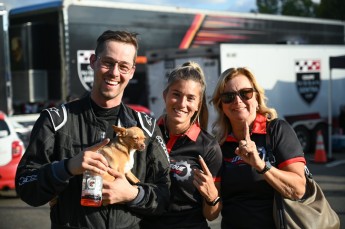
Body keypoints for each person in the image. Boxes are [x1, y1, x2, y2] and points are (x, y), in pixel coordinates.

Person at [15, 30, 171, 229]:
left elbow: (165, 195)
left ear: (131, 72)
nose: (114, 72)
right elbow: (26, 187)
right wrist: (67, 167)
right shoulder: (55, 121)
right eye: (107, 62)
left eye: (123, 66)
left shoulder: (146, 128)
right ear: (93, 62)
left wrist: (133, 194)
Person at [210, 67, 307, 228]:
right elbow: (212, 212)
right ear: (221, 105)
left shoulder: (276, 130)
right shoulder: (219, 144)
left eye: (245, 93)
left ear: (256, 98)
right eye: (228, 96)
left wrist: (261, 165)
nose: (238, 101)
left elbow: (298, 189)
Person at [141, 62, 223, 229]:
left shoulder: (209, 147)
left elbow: (211, 214)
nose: (182, 103)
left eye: (191, 98)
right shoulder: (147, 134)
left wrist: (212, 197)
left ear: (198, 104)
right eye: (176, 94)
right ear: (165, 95)